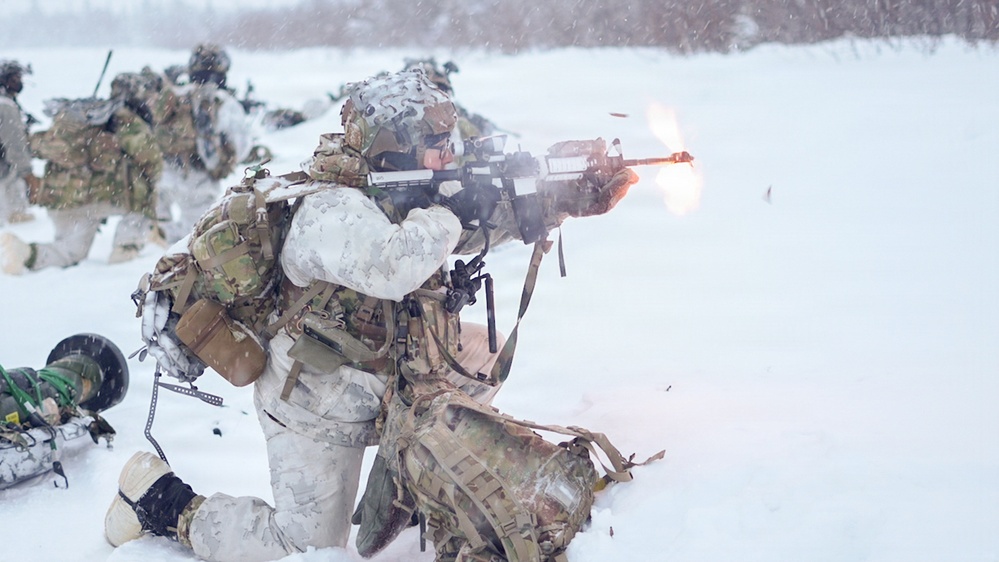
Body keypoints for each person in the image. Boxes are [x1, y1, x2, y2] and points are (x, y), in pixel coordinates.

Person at [104, 68, 638, 561]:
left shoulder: (404, 188)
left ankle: (409, 478)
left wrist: (556, 198)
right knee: (305, 548)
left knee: (483, 355)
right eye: (435, 145)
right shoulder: (327, 210)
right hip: (317, 403)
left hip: (393, 375)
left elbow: (468, 226)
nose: (448, 155)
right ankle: (159, 502)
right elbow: (396, 262)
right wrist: (452, 206)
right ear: (394, 149)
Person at [0, 72, 163, 274]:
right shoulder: (124, 118)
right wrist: (150, 184)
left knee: (70, 251)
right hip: (106, 196)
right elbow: (149, 157)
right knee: (145, 196)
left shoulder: (79, 118)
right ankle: (125, 248)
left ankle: (24, 252)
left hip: (62, 198)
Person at [150, 43, 253, 244]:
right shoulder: (224, 101)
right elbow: (242, 144)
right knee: (194, 239)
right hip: (200, 182)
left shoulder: (176, 95)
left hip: (165, 176)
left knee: (163, 234)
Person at [0, 59, 38, 225]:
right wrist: (27, 173)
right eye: (15, 79)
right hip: (5, 175)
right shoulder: (5, 106)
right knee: (17, 223)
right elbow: (15, 145)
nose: (20, 83)